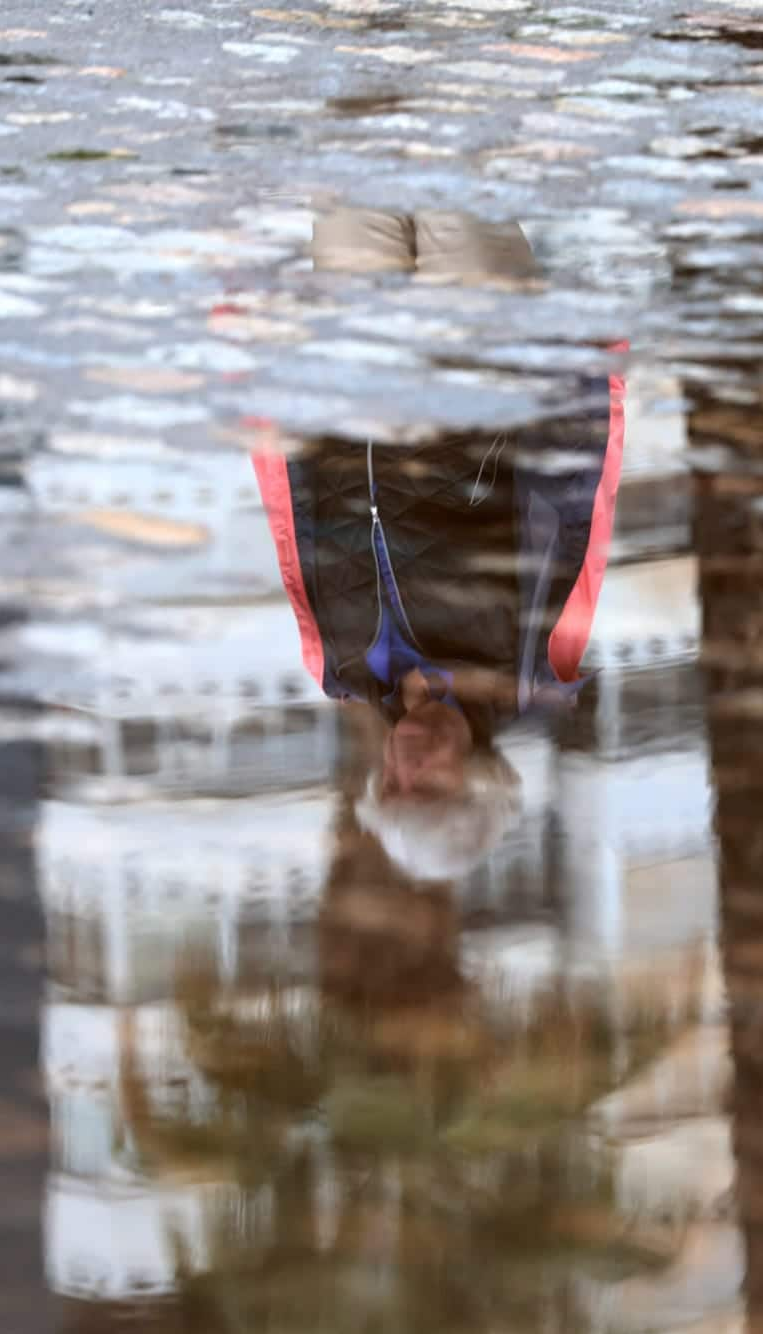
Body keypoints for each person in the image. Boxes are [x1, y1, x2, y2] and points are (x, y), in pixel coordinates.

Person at [252, 208, 625, 881]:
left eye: (390, 783)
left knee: (355, 138)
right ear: (480, 779)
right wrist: (586, 371)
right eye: (424, 785)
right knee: (452, 157)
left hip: (352, 357)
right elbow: (576, 510)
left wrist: (267, 395)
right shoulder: (532, 660)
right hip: (477, 349)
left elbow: (295, 523)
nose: (402, 765)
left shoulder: (344, 666)